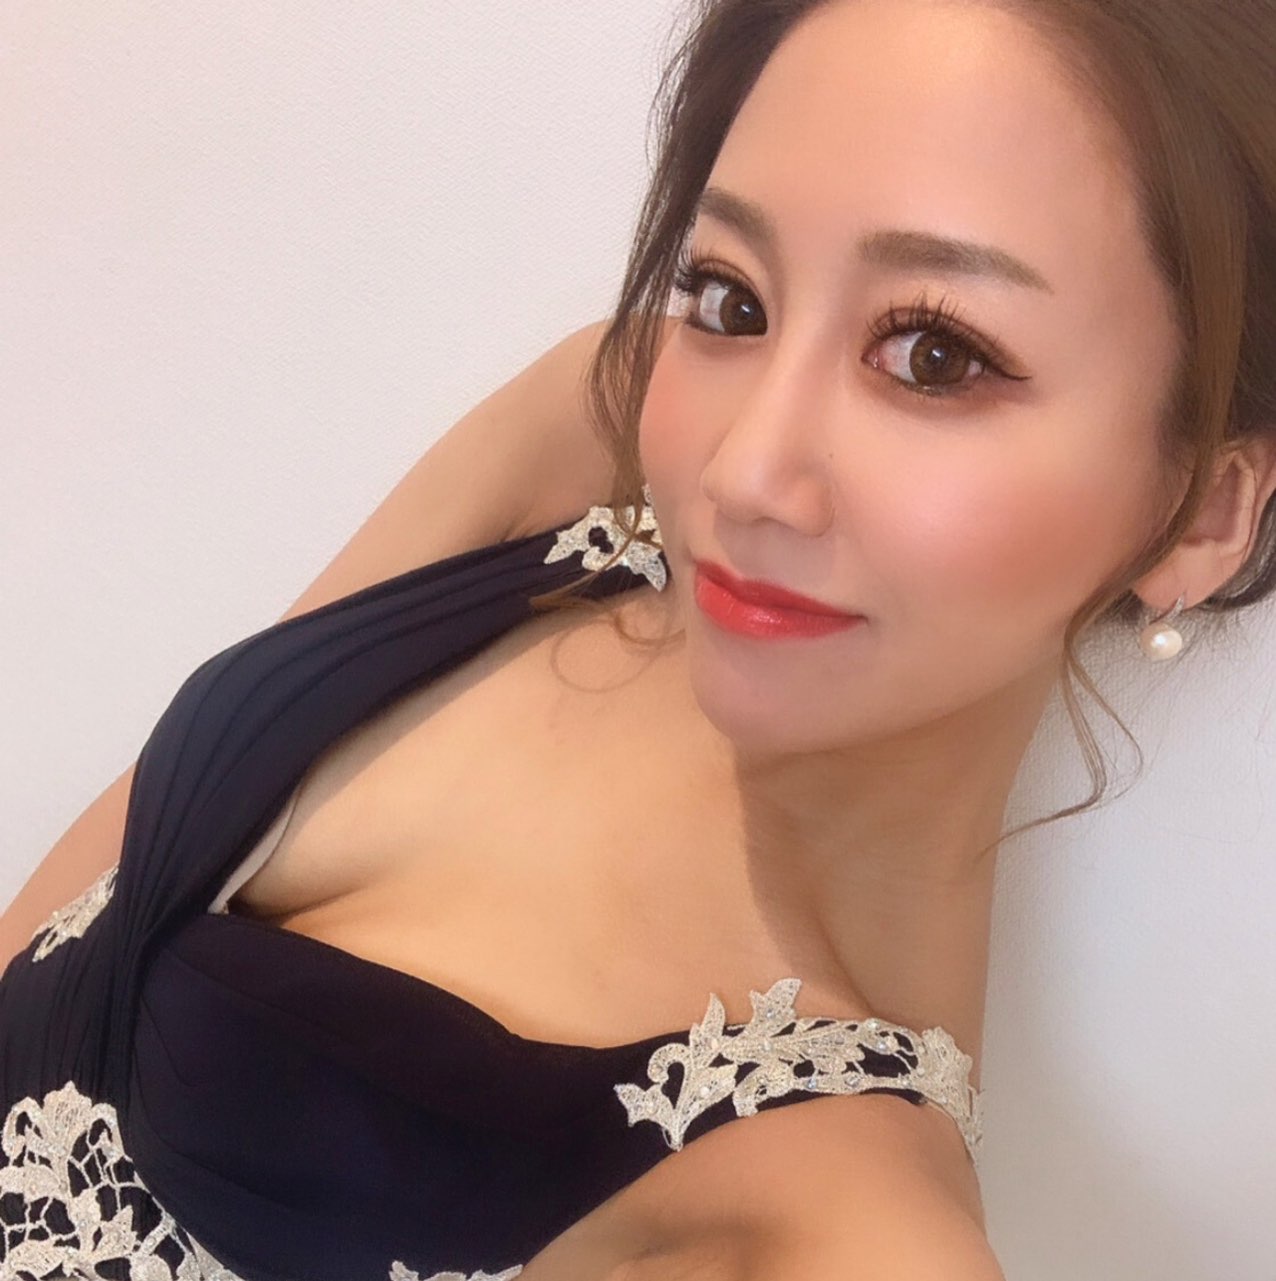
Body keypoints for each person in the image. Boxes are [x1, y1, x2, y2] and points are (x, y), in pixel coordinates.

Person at [3, 0, 1275, 1276]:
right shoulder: (598, 429)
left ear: (1204, 513)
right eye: (732, 297)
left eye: (934, 356)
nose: (742, 471)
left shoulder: (842, 1233)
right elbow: (103, 893)